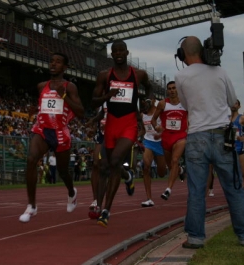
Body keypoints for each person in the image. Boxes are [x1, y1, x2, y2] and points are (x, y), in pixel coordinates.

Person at [175, 36, 244, 248]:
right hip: (222, 136)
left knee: (197, 189)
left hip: (196, 137)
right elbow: (232, 101)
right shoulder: (220, 72)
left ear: (183, 54)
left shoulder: (181, 76)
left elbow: (186, 104)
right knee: (234, 187)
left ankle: (195, 237)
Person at [92, 39, 153, 227]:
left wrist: (148, 101)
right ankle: (126, 178)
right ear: (112, 54)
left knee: (116, 160)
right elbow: (94, 101)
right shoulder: (104, 75)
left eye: (121, 50)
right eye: (115, 51)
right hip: (111, 125)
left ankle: (106, 211)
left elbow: (150, 88)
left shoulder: (138, 74)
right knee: (109, 167)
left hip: (128, 124)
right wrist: (107, 96)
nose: (118, 53)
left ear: (127, 53)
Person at [19, 52, 84, 223]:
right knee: (31, 159)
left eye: (58, 62)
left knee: (63, 172)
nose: (53, 64)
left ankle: (72, 192)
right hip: (42, 130)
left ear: (65, 67)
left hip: (60, 132)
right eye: (51, 61)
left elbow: (81, 112)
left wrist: (65, 96)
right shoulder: (42, 86)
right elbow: (46, 104)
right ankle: (32, 206)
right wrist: (36, 109)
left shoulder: (70, 87)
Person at [151, 81, 188, 201]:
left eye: (174, 88)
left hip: (180, 136)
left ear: (178, 90)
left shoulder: (185, 103)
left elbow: (193, 116)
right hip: (166, 137)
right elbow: (153, 120)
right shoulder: (162, 104)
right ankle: (181, 170)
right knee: (171, 166)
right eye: (170, 89)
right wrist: (157, 127)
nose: (172, 90)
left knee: (175, 159)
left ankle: (168, 189)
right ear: (167, 91)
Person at [141, 98, 167, 207]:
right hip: (148, 141)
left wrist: (160, 134)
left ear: (152, 101)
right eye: (145, 102)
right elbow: (143, 130)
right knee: (145, 166)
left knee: (161, 173)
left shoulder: (160, 111)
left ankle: (179, 169)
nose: (146, 104)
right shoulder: (142, 115)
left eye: (148, 101)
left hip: (160, 143)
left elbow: (166, 127)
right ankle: (149, 199)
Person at [230, 100, 244, 193]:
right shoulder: (226, 118)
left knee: (243, 169)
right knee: (231, 169)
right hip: (230, 146)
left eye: (236, 103)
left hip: (240, 146)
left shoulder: (242, 118)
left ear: (239, 106)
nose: (233, 105)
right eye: (232, 103)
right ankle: (236, 187)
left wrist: (243, 137)